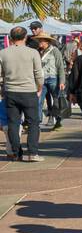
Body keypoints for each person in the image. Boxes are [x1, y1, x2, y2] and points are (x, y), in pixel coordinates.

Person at [1, 26, 44, 161]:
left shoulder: (3, 53)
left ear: (11, 37)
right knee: (33, 122)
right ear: (25, 37)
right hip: (29, 91)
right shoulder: (33, 53)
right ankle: (32, 153)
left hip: (11, 91)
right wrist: (39, 87)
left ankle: (16, 152)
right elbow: (38, 73)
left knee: (13, 122)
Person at [35, 33, 66, 131]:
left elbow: (60, 66)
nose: (39, 42)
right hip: (41, 80)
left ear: (46, 41)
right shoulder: (37, 52)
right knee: (39, 100)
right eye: (39, 40)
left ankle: (58, 120)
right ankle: (37, 122)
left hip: (53, 78)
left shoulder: (55, 51)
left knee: (56, 100)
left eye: (41, 40)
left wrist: (62, 81)